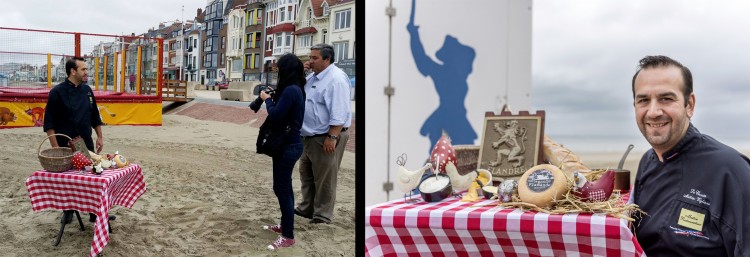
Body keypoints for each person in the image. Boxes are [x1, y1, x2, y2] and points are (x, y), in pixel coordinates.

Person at [630, 55, 750, 256]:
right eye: (643, 100)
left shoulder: (731, 171)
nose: (653, 111)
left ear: (690, 105)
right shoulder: (647, 163)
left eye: (666, 99)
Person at [43, 57, 108, 223]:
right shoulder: (57, 92)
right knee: (68, 181)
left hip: (86, 142)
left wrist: (99, 136)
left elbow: (95, 116)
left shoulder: (87, 91)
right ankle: (68, 211)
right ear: (73, 71)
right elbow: (49, 123)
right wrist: (55, 149)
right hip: (65, 145)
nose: (87, 72)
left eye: (86, 69)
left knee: (93, 178)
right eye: (83, 69)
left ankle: (95, 214)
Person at [252, 53, 306, 250]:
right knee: (282, 188)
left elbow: (275, 115)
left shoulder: (292, 90)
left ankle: (288, 235)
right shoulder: (295, 88)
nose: (277, 71)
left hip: (288, 146)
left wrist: (266, 99)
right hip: (289, 144)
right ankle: (284, 225)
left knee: (283, 190)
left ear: (286, 70)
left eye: (279, 68)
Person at [294, 44, 351, 224]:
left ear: (327, 59)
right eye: (310, 57)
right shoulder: (313, 77)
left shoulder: (336, 79)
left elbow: (339, 112)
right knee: (307, 174)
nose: (310, 61)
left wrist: (332, 137)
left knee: (325, 178)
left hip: (326, 136)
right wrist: (299, 73)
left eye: (314, 58)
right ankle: (307, 208)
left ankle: (322, 215)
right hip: (309, 137)